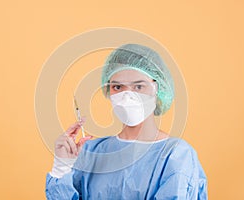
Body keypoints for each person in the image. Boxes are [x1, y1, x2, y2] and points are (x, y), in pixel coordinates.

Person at [45, 44, 208, 199]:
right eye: (118, 87)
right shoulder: (91, 152)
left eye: (138, 87)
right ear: (108, 90)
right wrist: (62, 167)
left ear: (157, 89)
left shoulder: (176, 155)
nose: (127, 95)